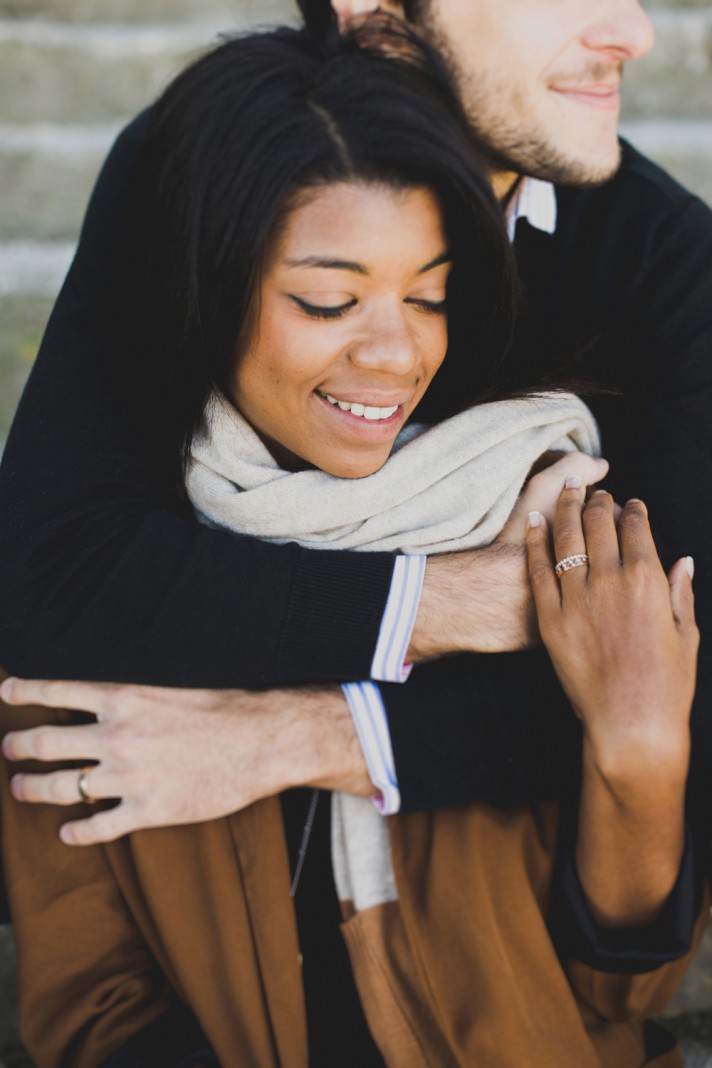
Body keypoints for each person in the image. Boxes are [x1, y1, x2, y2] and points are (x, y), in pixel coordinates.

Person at [0, 20, 704, 1068]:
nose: (398, 350)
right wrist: (436, 604)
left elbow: (618, 976)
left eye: (436, 293)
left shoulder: (551, 505)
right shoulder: (114, 604)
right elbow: (91, 1009)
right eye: (327, 299)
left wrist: (304, 734)